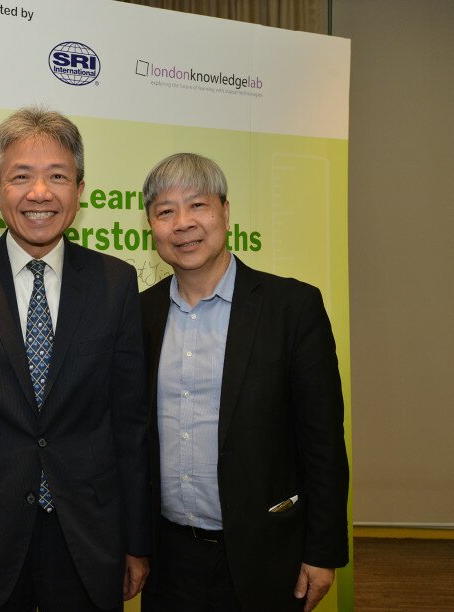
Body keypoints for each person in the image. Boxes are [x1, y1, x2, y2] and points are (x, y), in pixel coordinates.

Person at [0, 107, 151, 611]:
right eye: (21, 176)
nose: (40, 193)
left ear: (80, 190)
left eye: (58, 177)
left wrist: (137, 541)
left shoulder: (115, 282)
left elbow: (129, 425)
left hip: (87, 537)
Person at [139, 153, 349, 611]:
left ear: (226, 212)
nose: (183, 224)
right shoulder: (140, 315)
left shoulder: (292, 308)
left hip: (269, 555)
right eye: (165, 212)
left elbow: (324, 442)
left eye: (198, 205)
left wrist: (323, 551)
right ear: (151, 228)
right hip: (169, 558)